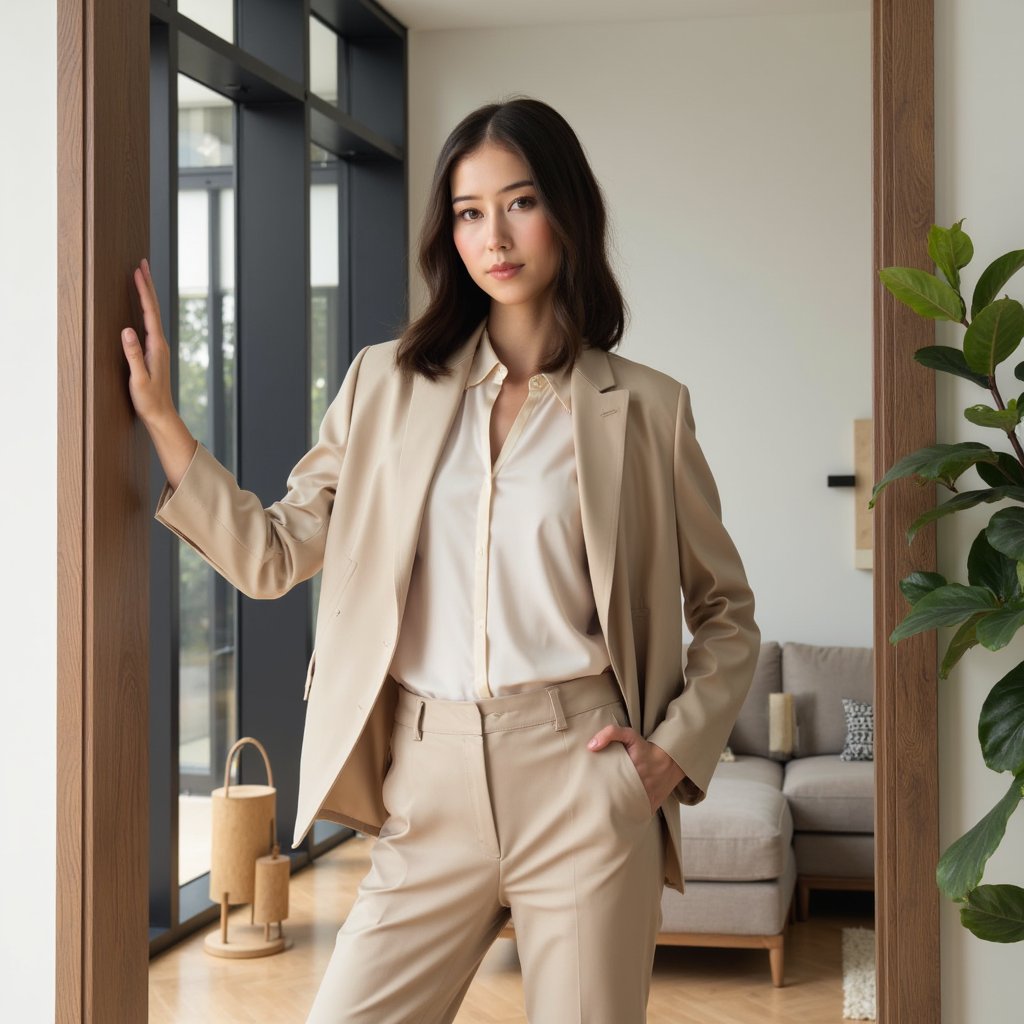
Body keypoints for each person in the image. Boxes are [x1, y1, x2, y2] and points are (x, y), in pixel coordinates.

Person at [121, 96, 760, 1024]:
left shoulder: (649, 411)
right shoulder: (383, 386)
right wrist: (165, 425)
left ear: (568, 213)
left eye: (519, 202)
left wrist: (666, 757)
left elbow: (726, 611)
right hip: (427, 780)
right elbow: (273, 552)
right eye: (468, 211)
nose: (494, 235)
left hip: (583, 778)